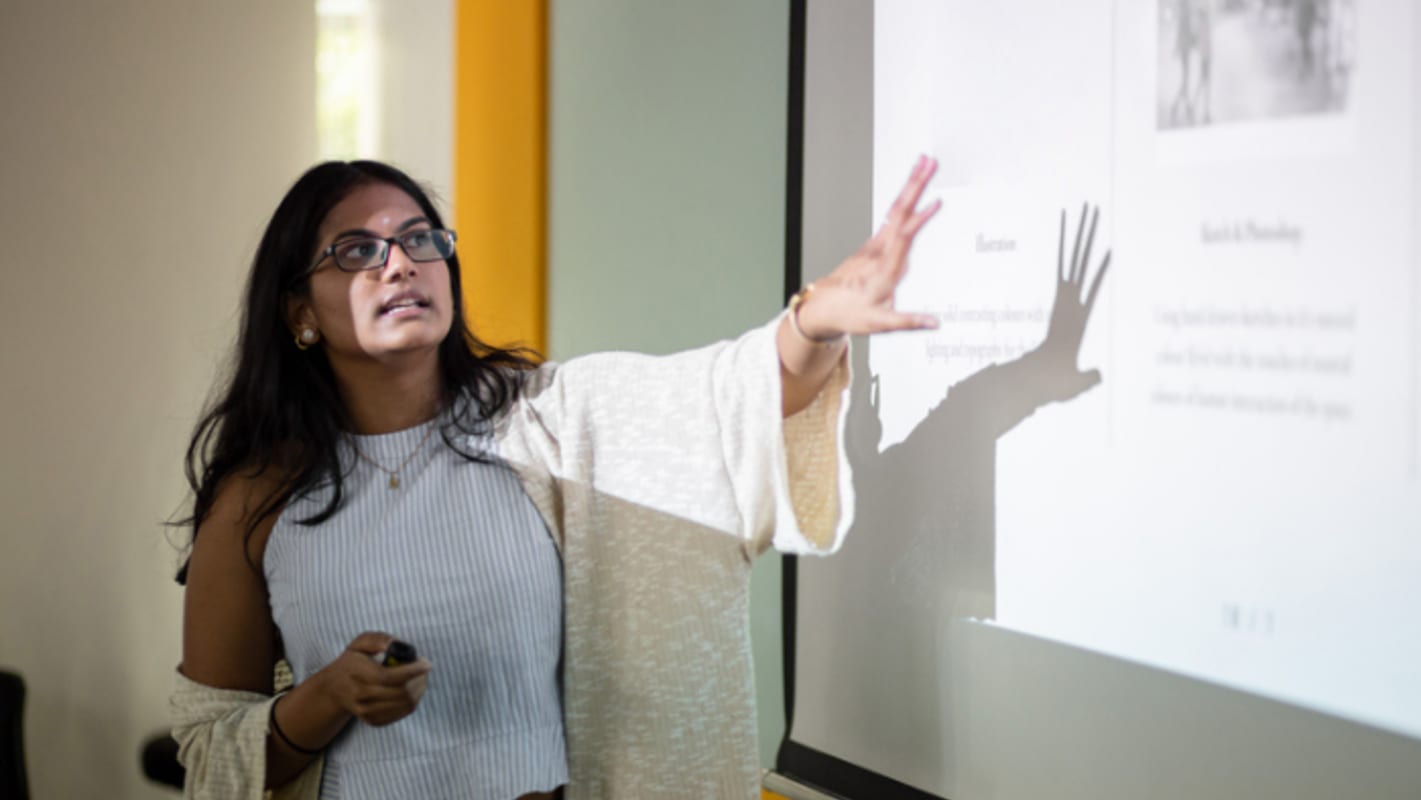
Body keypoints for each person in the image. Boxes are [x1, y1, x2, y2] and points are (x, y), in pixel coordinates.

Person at [171, 156, 942, 800]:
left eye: (418, 239)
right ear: (300, 311)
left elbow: (730, 396)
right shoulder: (257, 498)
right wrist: (324, 698)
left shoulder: (551, 420)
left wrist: (814, 323)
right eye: (357, 251)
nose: (400, 262)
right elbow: (209, 754)